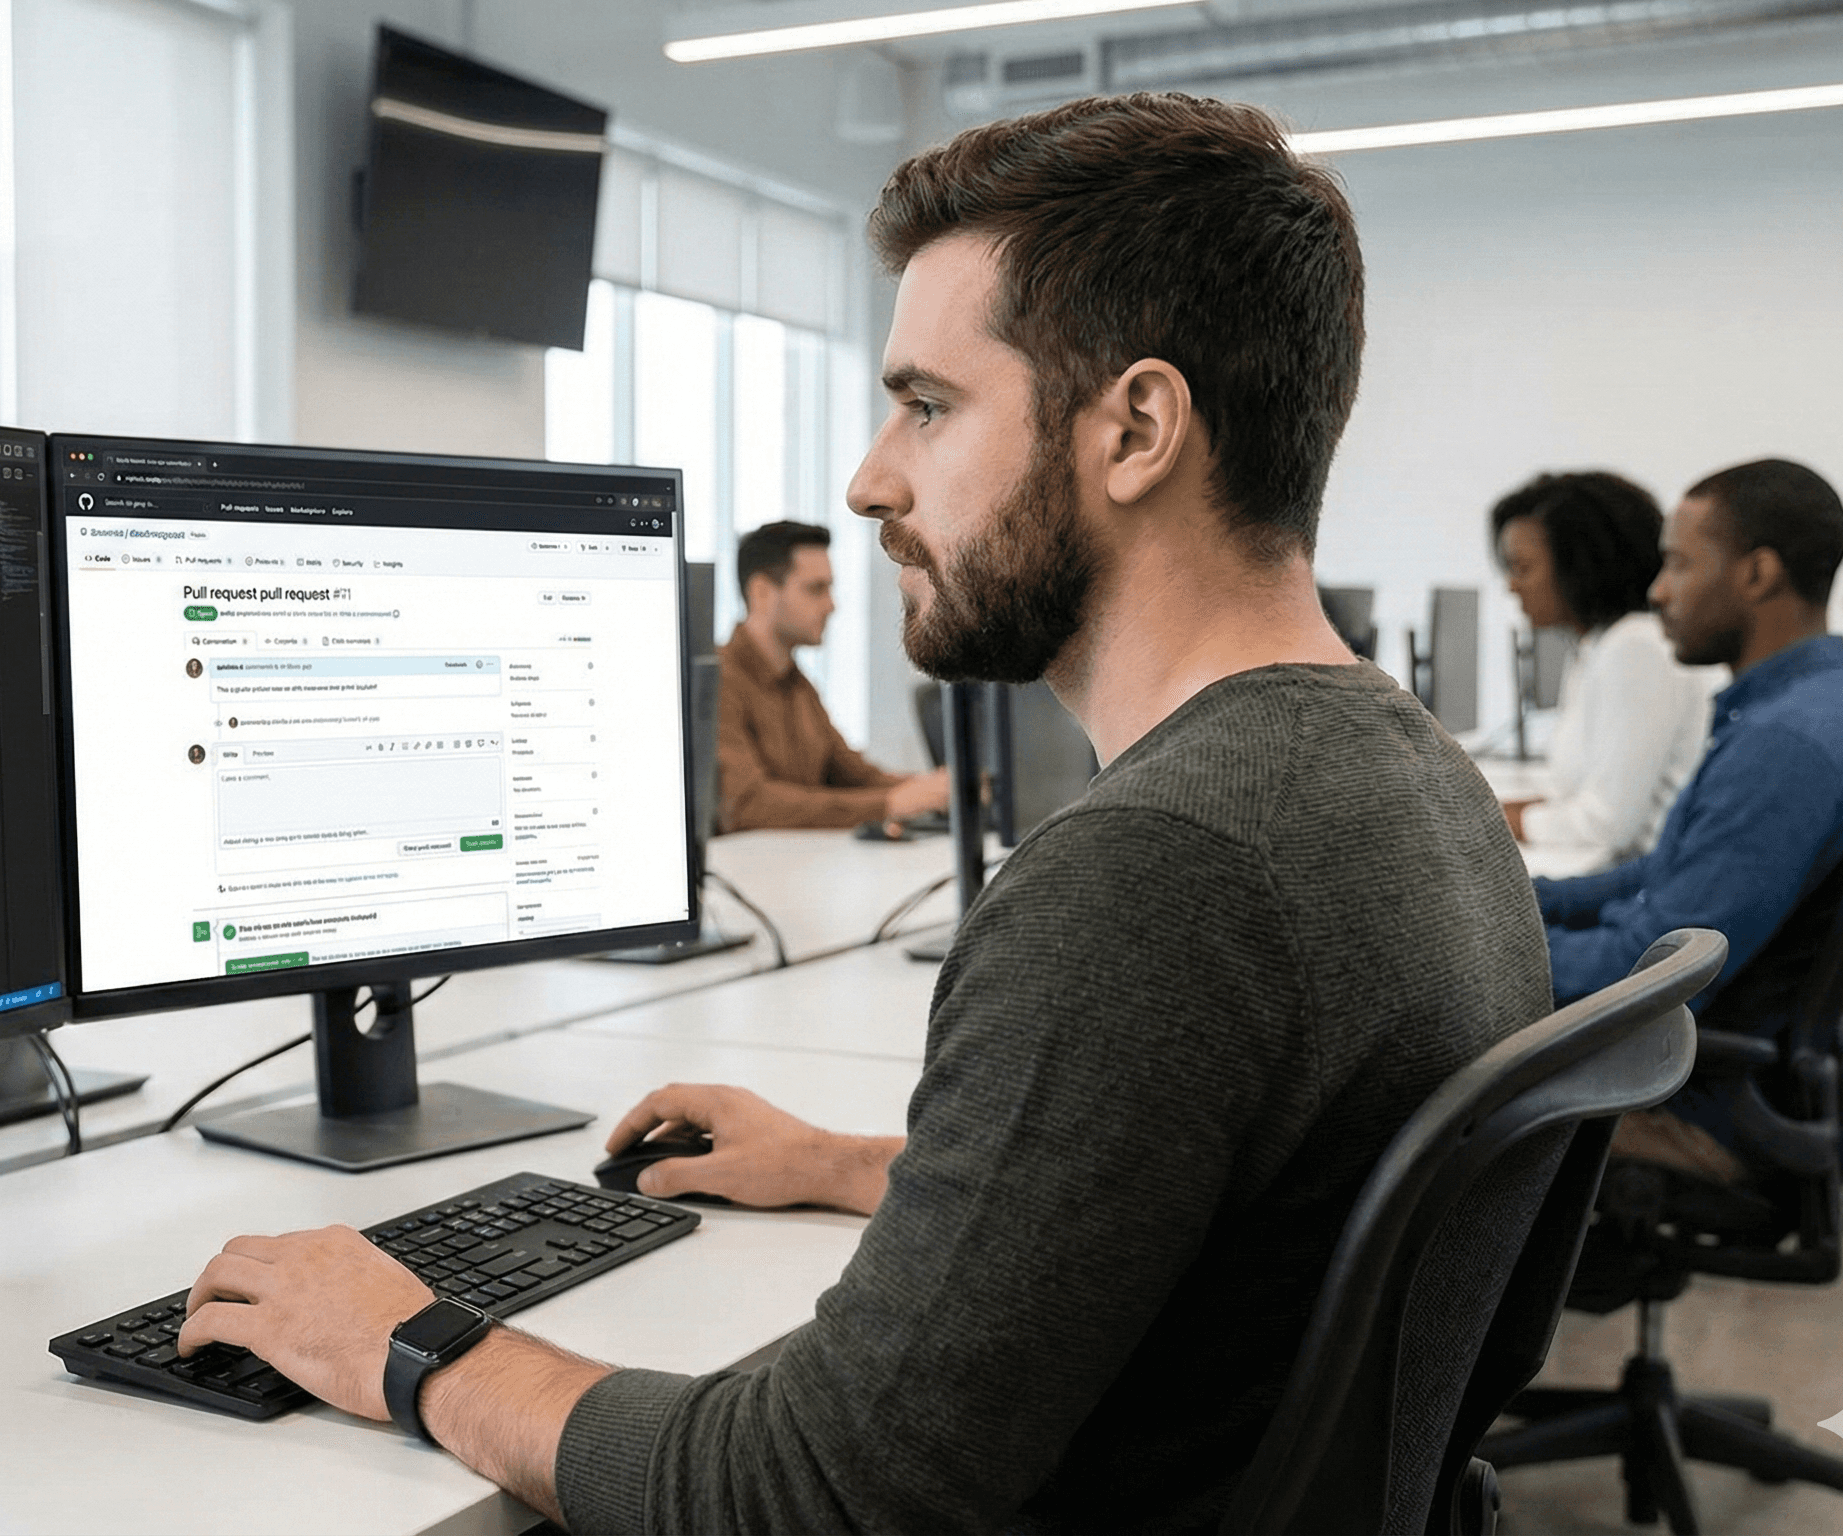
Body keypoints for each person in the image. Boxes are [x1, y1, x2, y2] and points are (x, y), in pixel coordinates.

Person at [166, 94, 1550, 1532]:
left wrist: (412, 1344)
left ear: (1136, 428)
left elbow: (811, 1493)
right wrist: (842, 1163)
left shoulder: (1156, 871)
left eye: (928, 406)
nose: (871, 479)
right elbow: (1211, 1209)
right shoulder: (1410, 778)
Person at [1535, 459, 1843, 1182]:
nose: (1656, 590)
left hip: (1693, 1104)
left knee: (1401, 1097)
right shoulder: (1811, 708)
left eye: (1678, 563)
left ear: (1758, 574)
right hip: (1719, 1071)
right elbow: (1669, 870)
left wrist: (1485, 950)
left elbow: (1655, 975)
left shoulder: (1786, 746)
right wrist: (1528, 902)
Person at [1488, 471, 1718, 875]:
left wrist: (1491, 820)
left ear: (1580, 565)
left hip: (1635, 880)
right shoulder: (1599, 645)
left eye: (1522, 568)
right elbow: (1577, 794)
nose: (1512, 586)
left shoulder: (1636, 645)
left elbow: (1607, 825)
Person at [712, 520, 947, 831]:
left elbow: (853, 775)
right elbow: (746, 805)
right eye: (815, 589)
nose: (831, 605)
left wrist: (933, 789)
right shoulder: (718, 680)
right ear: (762, 592)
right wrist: (890, 803)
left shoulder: (796, 683)